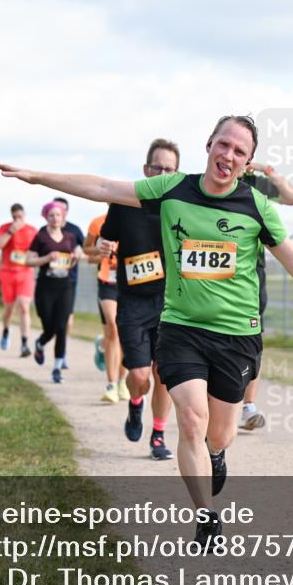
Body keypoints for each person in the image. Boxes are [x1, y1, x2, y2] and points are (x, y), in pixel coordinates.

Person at [0, 115, 293, 545]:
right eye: (223, 145)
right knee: (192, 420)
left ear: (247, 162)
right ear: (209, 144)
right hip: (181, 327)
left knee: (220, 432)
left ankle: (216, 453)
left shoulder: (255, 205)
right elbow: (103, 188)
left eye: (239, 152)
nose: (228, 155)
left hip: (237, 335)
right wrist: (38, 178)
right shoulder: (173, 189)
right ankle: (207, 517)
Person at [96, 138, 181, 460]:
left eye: (169, 169)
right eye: (157, 167)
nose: (162, 173)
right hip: (131, 301)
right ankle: (134, 404)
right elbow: (106, 239)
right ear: (146, 169)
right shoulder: (123, 202)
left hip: (169, 302)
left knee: (163, 375)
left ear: (176, 173)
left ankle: (158, 435)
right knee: (140, 376)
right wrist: (104, 247)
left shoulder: (177, 206)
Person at [237, 162, 293, 430]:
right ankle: (217, 401)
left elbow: (292, 197)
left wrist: (271, 173)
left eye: (242, 152)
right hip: (216, 279)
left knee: (253, 339)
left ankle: (248, 407)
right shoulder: (209, 184)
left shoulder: (256, 185)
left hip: (252, 275)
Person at [27, 201, 83, 383]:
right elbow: (28, 261)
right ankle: (40, 343)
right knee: (49, 327)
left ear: (63, 217)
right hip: (45, 287)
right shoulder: (41, 236)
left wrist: (75, 258)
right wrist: (47, 258)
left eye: (58, 214)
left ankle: (57, 368)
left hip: (65, 286)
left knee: (61, 327)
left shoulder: (69, 237)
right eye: (51, 215)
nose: (55, 218)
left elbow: (73, 260)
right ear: (46, 217)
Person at [85, 209, 129, 403]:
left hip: (130, 282)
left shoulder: (136, 218)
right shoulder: (97, 222)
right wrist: (100, 250)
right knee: (113, 326)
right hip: (107, 282)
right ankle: (111, 385)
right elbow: (87, 250)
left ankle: (122, 382)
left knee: (126, 332)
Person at [0, 204, 38, 356]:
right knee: (9, 309)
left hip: (25, 272)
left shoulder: (32, 230)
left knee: (24, 306)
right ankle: (6, 330)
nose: (17, 219)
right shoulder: (5, 228)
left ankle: (24, 344)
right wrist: (11, 231)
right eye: (15, 217)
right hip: (7, 272)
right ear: (11, 216)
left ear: (25, 215)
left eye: (20, 216)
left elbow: (39, 250)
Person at [51, 197, 85, 370]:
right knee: (51, 319)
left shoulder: (75, 230)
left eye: (61, 209)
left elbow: (85, 250)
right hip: (49, 281)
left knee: (66, 318)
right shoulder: (45, 231)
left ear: (66, 212)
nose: (58, 213)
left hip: (69, 280)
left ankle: (61, 351)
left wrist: (77, 254)